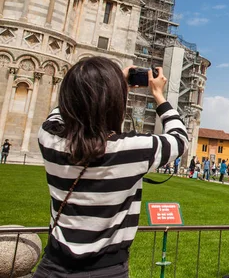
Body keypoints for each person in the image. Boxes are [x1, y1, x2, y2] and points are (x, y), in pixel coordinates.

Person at [33, 57, 188, 277]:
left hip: (52, 266)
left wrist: (101, 87)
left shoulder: (49, 139)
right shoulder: (130, 150)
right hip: (107, 271)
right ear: (115, 102)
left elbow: (60, 112)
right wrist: (159, 96)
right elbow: (180, 138)